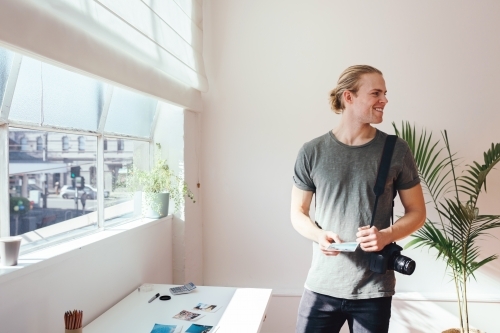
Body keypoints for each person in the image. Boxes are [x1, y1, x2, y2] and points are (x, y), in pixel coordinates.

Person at [291, 65, 426, 333]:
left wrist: (386, 235)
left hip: (373, 291)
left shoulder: (396, 150)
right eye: (376, 93)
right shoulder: (312, 151)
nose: (384, 100)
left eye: (385, 93)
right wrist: (318, 236)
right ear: (348, 97)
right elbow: (298, 212)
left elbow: (417, 212)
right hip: (321, 286)